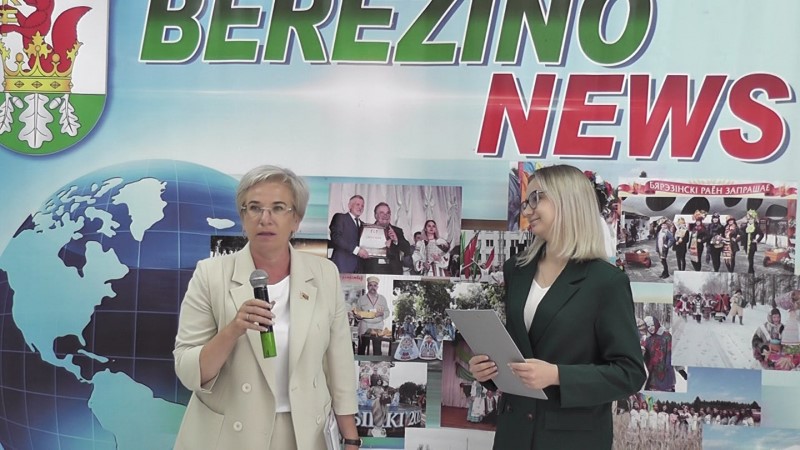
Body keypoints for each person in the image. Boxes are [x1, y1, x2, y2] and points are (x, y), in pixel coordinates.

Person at [173, 165, 361, 450]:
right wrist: (233, 330)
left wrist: (351, 438)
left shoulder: (324, 274)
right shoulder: (210, 274)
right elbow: (188, 371)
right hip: (231, 436)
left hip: (304, 433)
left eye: (278, 208)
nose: (265, 218)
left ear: (296, 219)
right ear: (243, 217)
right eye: (254, 208)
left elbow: (340, 362)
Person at [467, 164, 646, 450]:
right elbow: (518, 351)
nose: (527, 210)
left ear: (568, 200)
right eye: (526, 202)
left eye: (536, 198)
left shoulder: (606, 281)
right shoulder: (517, 269)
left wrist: (557, 375)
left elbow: (630, 373)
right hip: (514, 434)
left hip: (571, 438)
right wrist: (488, 372)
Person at [362, 202, 412, 275]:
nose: (385, 216)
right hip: (372, 271)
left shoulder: (397, 231)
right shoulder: (367, 230)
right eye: (381, 213)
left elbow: (407, 248)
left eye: (388, 213)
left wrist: (396, 240)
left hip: (393, 272)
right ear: (375, 215)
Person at [329, 194, 369, 274]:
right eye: (357, 204)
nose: (360, 207)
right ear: (349, 205)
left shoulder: (364, 225)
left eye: (362, 206)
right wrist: (356, 250)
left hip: (359, 268)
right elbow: (336, 237)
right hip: (342, 265)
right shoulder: (340, 217)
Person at [355, 276, 389, 355]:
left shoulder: (382, 298)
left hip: (378, 326)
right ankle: (361, 362)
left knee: (377, 350)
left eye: (375, 285)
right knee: (362, 349)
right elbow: (357, 313)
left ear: (377, 287)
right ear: (367, 286)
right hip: (365, 326)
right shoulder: (361, 299)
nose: (373, 287)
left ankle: (376, 362)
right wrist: (358, 317)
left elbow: (387, 312)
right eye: (370, 285)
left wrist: (382, 313)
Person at [642, 316, 675, 392]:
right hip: (652, 375)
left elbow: (670, 353)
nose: (651, 328)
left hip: (665, 373)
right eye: (648, 326)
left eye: (652, 325)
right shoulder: (648, 339)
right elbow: (643, 353)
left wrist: (668, 367)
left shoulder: (666, 336)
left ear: (656, 324)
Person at [740, 210, 764, 274]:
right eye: (749, 219)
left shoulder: (756, 227)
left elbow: (761, 234)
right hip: (746, 244)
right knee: (749, 258)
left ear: (754, 219)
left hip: (752, 245)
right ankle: (752, 270)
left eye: (751, 219)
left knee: (751, 258)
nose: (750, 220)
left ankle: (750, 271)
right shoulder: (745, 226)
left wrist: (757, 240)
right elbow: (740, 231)